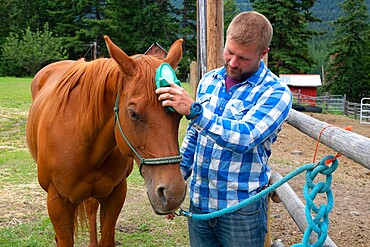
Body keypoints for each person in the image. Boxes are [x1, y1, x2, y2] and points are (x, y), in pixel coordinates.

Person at [156, 11, 292, 247]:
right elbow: (194, 137)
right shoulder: (209, 80)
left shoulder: (275, 93)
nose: (232, 62)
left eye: (243, 58)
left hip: (240, 210)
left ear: (263, 54)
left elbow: (245, 136)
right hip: (200, 202)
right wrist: (178, 184)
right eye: (229, 52)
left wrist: (195, 111)